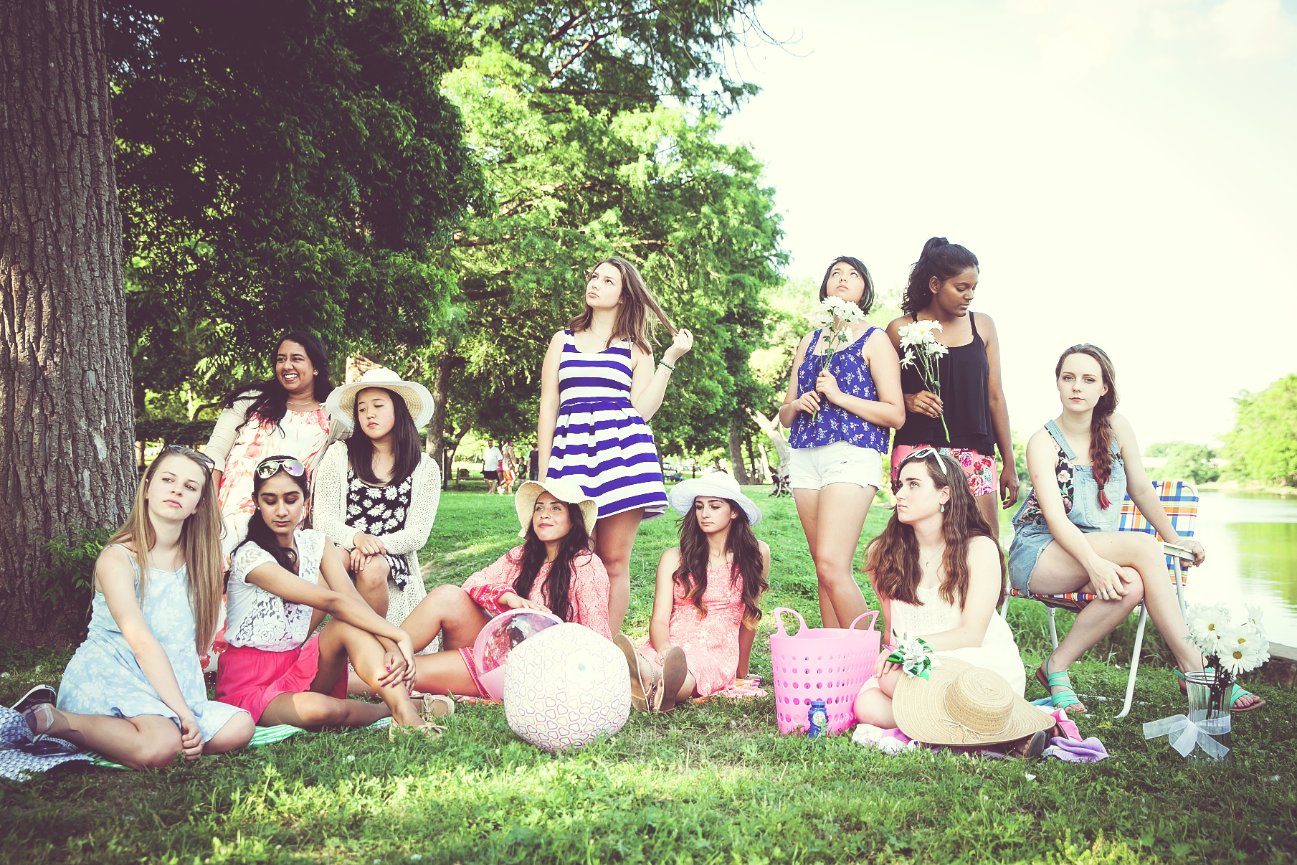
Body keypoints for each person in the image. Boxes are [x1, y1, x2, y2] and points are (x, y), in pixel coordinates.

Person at [1007, 345, 1263, 713]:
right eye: (1068, 377)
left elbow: (1140, 488)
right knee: (1144, 546)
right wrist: (1095, 564)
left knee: (1132, 583)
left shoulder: (1117, 428)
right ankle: (1195, 668)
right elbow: (1057, 520)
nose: (1077, 386)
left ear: (1103, 388)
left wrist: (1175, 539)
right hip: (1041, 553)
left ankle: (1055, 667)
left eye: (1088, 379)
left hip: (1090, 551)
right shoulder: (1042, 442)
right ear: (1058, 384)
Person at [20, 446, 253, 768]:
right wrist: (184, 714)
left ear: (199, 505)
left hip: (169, 683)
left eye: (189, 486)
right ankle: (57, 719)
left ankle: (148, 735)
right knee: (162, 746)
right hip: (114, 673)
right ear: (147, 489)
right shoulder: (118, 558)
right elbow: (141, 643)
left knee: (240, 726)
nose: (176, 490)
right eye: (168, 480)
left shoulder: (200, 563)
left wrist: (184, 709)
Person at [215, 456, 436, 732]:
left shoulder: (315, 543)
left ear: (306, 501)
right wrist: (398, 635)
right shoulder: (251, 557)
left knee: (347, 624)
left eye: (291, 499)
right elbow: (333, 601)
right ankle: (391, 708)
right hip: (249, 685)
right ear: (256, 502)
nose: (281, 510)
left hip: (295, 665)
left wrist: (391, 646)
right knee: (321, 710)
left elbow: (352, 602)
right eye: (270, 501)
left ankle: (405, 713)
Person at [538, 255, 693, 633]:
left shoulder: (637, 349)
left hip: (623, 459)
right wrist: (544, 474)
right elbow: (548, 405)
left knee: (613, 561)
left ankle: (603, 648)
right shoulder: (562, 340)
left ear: (624, 296)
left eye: (608, 281)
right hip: (571, 458)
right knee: (571, 557)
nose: (595, 284)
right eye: (594, 277)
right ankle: (566, 638)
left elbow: (642, 411)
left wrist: (669, 359)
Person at [854, 449, 1026, 731]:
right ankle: (964, 725)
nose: (900, 494)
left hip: (975, 662)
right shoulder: (883, 553)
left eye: (913, 485)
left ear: (944, 494)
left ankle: (965, 718)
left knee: (892, 684)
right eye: (899, 485)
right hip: (918, 664)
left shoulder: (978, 549)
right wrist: (896, 655)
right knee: (868, 704)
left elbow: (972, 634)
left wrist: (907, 649)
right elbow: (892, 629)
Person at [778, 256, 904, 629]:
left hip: (851, 453)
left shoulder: (875, 339)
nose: (843, 278)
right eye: (835, 273)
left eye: (852, 274)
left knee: (834, 565)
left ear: (865, 288)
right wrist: (797, 405)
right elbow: (784, 414)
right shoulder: (809, 340)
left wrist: (838, 396)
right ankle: (837, 657)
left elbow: (895, 414)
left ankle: (875, 656)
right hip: (805, 456)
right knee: (823, 569)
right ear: (825, 287)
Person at [399, 478, 612, 696]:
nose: (544, 514)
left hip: (536, 672)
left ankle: (381, 668)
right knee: (447, 596)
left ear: (573, 520)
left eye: (556, 508)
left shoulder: (585, 565)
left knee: (399, 671)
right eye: (539, 508)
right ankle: (387, 651)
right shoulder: (522, 556)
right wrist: (508, 597)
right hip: (501, 647)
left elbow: (598, 638)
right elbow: (473, 583)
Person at [886, 238, 1019, 541]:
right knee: (918, 546)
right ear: (935, 284)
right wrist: (907, 399)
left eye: (973, 288)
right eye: (961, 288)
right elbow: (878, 393)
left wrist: (1008, 462)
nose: (969, 295)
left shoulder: (983, 326)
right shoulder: (899, 330)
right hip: (917, 451)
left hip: (975, 451)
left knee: (984, 542)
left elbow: (995, 397)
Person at [615, 474, 770, 713]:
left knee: (690, 670)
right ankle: (650, 677)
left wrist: (741, 670)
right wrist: (664, 648)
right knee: (655, 660)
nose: (704, 513)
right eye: (699, 506)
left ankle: (660, 683)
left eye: (714, 506)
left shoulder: (756, 554)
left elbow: (749, 618)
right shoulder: (673, 558)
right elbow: (659, 619)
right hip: (672, 643)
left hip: (716, 648)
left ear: (734, 512)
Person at [313, 368, 442, 629]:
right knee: (335, 559)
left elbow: (418, 533)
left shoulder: (425, 467)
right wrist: (357, 539)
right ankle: (290, 643)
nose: (369, 414)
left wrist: (373, 545)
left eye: (378, 406)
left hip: (391, 554)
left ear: (398, 409)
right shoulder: (340, 455)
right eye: (361, 409)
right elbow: (323, 518)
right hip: (345, 546)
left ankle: (373, 639)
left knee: (371, 567)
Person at [205, 331, 345, 554]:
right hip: (227, 515)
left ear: (315, 367)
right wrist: (207, 510)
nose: (287, 366)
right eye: (281, 359)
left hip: (285, 521)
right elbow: (215, 454)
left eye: (296, 358)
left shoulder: (333, 417)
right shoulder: (250, 401)